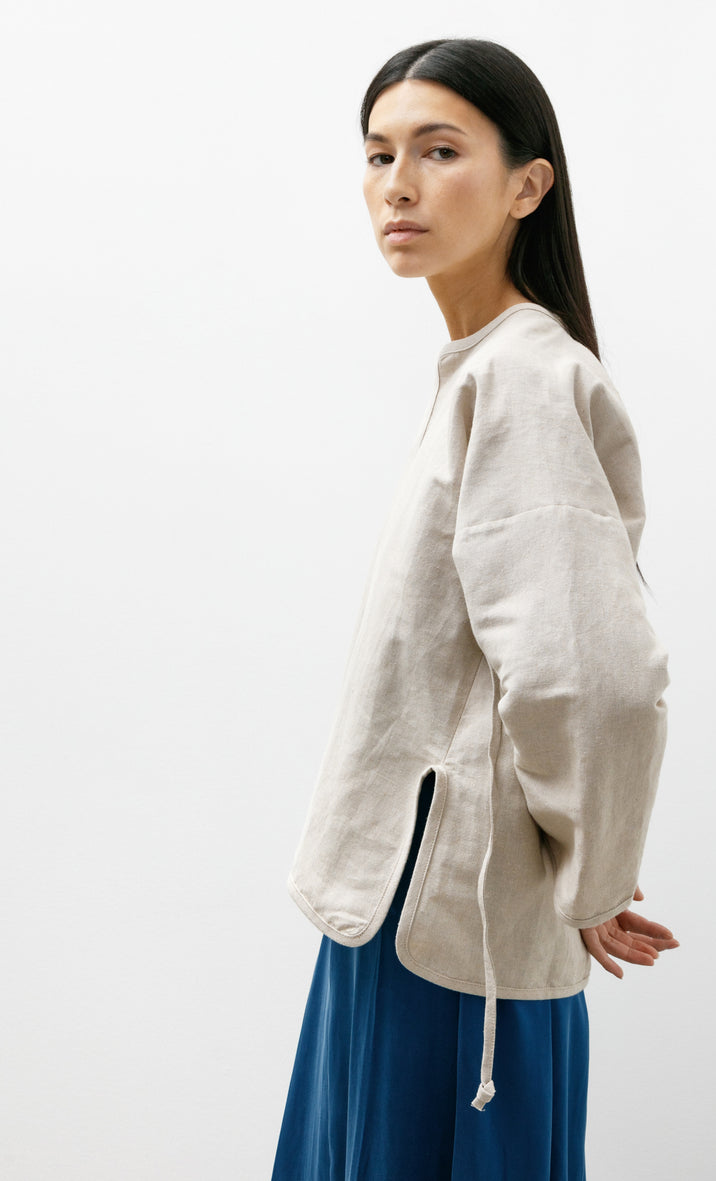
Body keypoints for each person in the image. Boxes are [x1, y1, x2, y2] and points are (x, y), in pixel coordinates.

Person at [271, 37, 679, 1181]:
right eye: (379, 154)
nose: (398, 185)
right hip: (408, 900)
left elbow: (595, 675)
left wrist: (594, 875)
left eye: (439, 151)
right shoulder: (485, 369)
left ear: (527, 184)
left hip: (452, 927)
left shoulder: (526, 381)